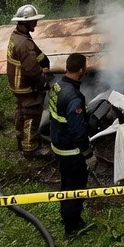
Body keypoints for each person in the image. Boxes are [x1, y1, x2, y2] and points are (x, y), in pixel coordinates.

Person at [49, 52, 92, 236]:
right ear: (81, 69)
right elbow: (78, 131)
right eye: (85, 67)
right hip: (71, 151)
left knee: (66, 183)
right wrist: (88, 154)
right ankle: (73, 226)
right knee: (75, 187)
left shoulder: (57, 85)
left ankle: (67, 216)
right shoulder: (73, 97)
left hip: (58, 143)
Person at [6, 4, 52, 159]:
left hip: (16, 84)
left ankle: (21, 140)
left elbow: (35, 53)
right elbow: (32, 71)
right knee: (32, 114)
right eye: (33, 21)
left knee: (21, 111)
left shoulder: (17, 36)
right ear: (25, 23)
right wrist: (43, 83)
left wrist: (44, 60)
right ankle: (31, 149)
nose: (36, 24)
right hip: (26, 86)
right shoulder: (24, 44)